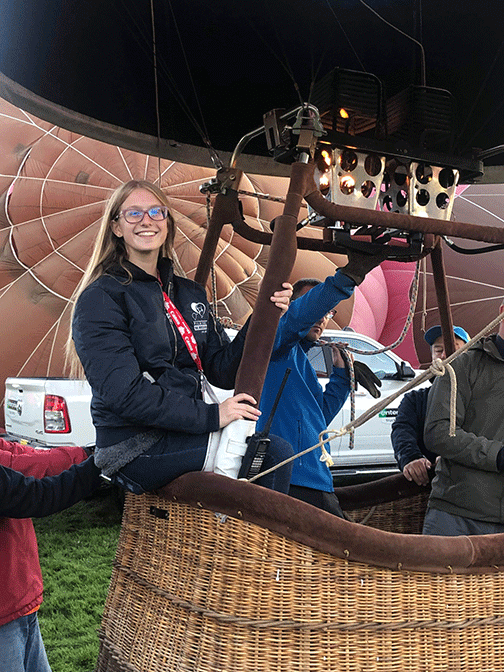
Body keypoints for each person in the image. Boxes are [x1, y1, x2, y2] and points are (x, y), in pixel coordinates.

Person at [67, 180, 293, 495]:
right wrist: (214, 415)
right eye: (133, 213)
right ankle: (238, 541)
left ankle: (237, 537)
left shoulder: (188, 294)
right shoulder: (102, 298)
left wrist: (263, 317)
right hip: (135, 445)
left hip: (184, 431)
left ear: (167, 223)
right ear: (116, 227)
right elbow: (125, 395)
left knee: (272, 451)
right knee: (271, 455)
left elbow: (221, 369)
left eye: (156, 211)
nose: (146, 220)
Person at [257, 251, 385, 517]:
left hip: (315, 477)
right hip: (291, 478)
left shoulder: (303, 361)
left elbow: (318, 420)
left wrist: (341, 376)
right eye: (313, 308)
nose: (321, 317)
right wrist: (344, 280)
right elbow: (294, 319)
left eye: (327, 312)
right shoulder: (276, 345)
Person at [0, 444, 101, 672]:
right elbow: (36, 493)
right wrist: (98, 465)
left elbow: (21, 454)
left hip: (18, 604)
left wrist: (88, 453)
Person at [422, 304, 504, 536]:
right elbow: (438, 432)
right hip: (459, 515)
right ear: (501, 311)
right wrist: (497, 456)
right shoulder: (461, 365)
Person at [392, 325, 470, 486]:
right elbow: (402, 430)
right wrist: (411, 458)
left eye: (452, 349)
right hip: (429, 486)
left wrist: (456, 457)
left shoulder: (481, 398)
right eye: (438, 350)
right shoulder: (414, 400)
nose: (444, 355)